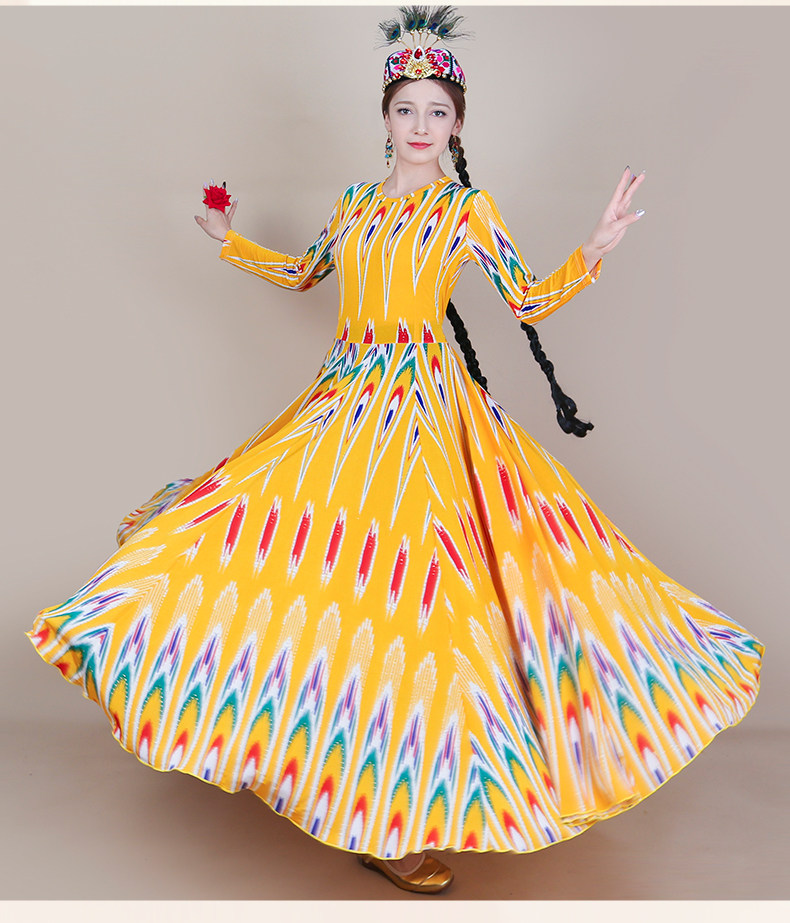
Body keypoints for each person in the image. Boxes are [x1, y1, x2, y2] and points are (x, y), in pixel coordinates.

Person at [26, 5, 763, 897]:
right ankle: (315, 761)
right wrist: (231, 246)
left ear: (457, 125)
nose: (421, 125)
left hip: (428, 417)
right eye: (407, 109)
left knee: (421, 608)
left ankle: (399, 811)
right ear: (385, 117)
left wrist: (592, 250)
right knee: (293, 570)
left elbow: (527, 300)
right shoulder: (354, 203)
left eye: (437, 112)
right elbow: (305, 273)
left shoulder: (465, 209)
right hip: (342, 408)